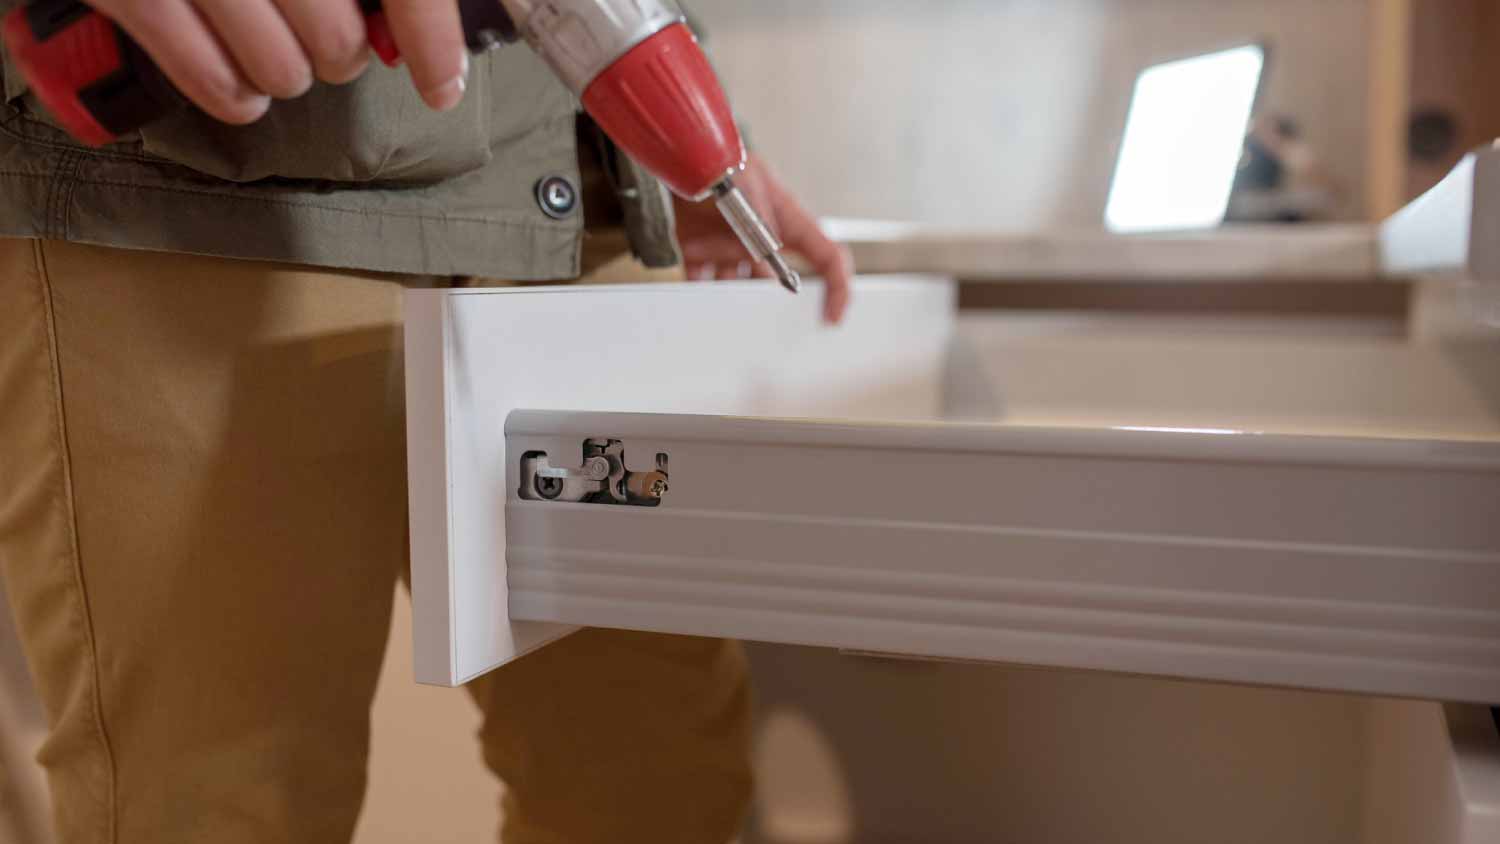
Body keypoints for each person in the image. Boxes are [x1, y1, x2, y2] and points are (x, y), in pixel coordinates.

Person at [0, 1, 855, 842]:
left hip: (573, 189)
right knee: (225, 805)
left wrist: (689, 128)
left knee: (659, 785)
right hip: (205, 193)